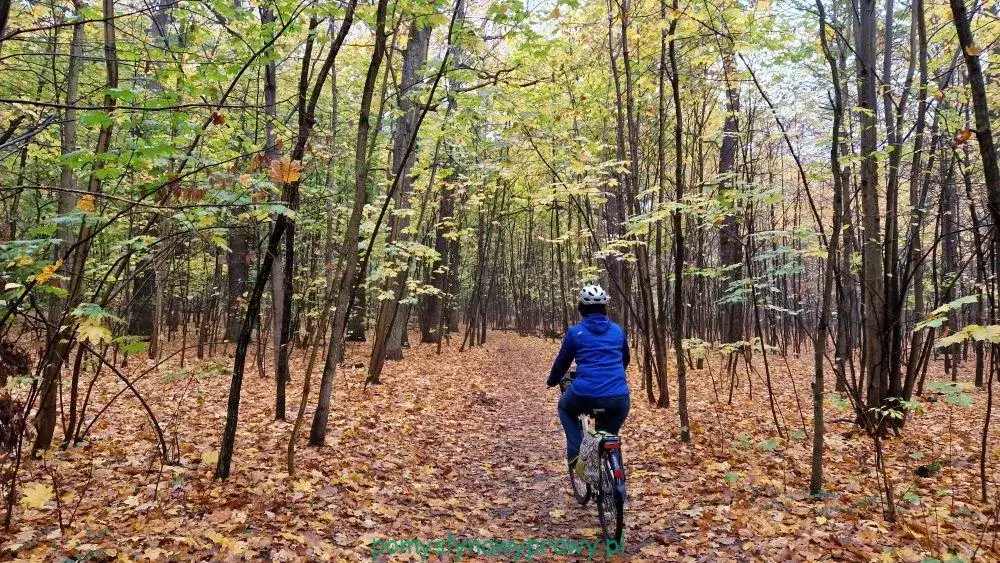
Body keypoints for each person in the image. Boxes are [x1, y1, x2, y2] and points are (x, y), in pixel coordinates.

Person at [547, 284, 631, 472]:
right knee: (608, 435)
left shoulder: (575, 333)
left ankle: (575, 453)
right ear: (604, 308)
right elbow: (625, 359)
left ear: (581, 308)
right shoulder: (618, 331)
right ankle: (609, 469)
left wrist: (552, 381)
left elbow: (562, 363)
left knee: (564, 407)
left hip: (585, 394)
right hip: (619, 398)